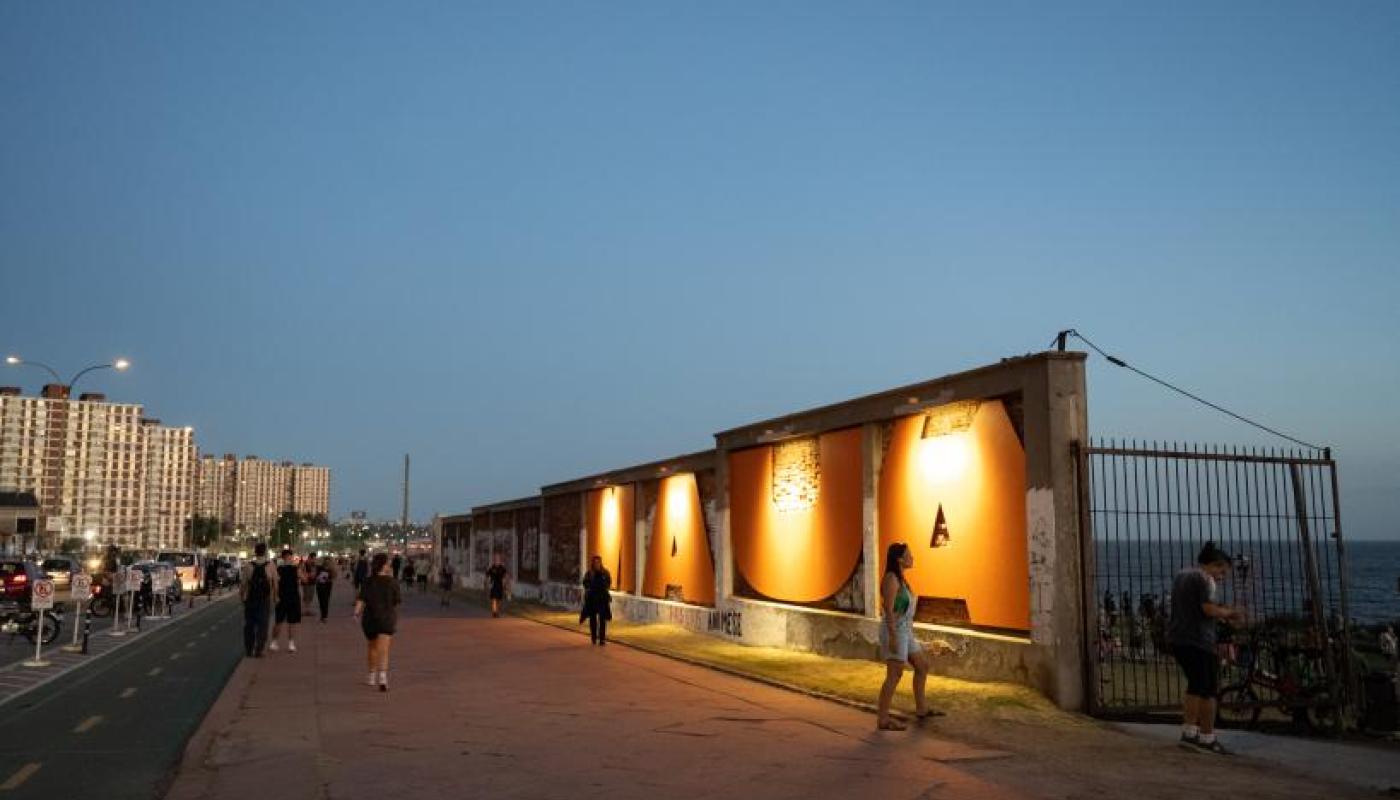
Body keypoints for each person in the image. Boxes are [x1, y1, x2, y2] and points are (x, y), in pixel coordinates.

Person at [1169, 541, 1246, 755]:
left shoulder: (1182, 575)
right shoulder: (1206, 580)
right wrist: (1231, 613)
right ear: (1214, 564)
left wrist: (1221, 613)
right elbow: (1208, 609)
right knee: (1209, 691)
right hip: (1200, 641)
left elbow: (1192, 608)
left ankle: (1189, 732)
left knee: (1195, 686)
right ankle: (1207, 737)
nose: (1223, 577)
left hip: (1178, 638)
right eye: (1222, 571)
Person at [875, 542, 939, 730]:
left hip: (904, 630)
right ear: (899, 559)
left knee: (922, 666)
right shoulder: (891, 579)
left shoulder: (901, 578)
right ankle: (883, 719)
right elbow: (888, 610)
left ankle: (921, 709)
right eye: (909, 555)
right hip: (895, 630)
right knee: (895, 674)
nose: (912, 558)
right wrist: (893, 637)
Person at [354, 553, 401, 692]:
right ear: (384, 565)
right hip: (386, 617)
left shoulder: (368, 581)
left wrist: (356, 613)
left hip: (370, 618)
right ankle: (383, 678)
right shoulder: (392, 582)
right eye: (388, 563)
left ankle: (371, 675)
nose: (390, 565)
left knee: (372, 647)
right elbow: (396, 602)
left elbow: (361, 599)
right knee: (384, 649)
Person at [240, 543, 278, 658]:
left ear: (255, 552)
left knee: (249, 625)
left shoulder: (248, 566)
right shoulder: (271, 565)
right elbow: (275, 583)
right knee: (263, 625)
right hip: (264, 600)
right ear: (265, 552)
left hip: (251, 599)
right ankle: (259, 650)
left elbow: (243, 584)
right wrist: (275, 597)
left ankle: (249, 649)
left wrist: (242, 598)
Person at [269, 548, 303, 652]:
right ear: (291, 557)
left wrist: (275, 596)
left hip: (281, 597)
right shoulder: (296, 568)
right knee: (291, 622)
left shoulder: (278, 569)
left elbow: (274, 583)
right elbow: (304, 579)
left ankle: (274, 642)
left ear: (282, 557)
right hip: (293, 597)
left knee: (278, 621)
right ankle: (291, 644)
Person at [579, 555, 612, 645]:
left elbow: (608, 583)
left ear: (601, 563)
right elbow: (585, 583)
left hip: (602, 599)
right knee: (593, 619)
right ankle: (594, 637)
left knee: (602, 619)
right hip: (592, 599)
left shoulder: (605, 573)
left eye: (598, 562)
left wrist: (604, 588)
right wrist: (590, 587)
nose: (597, 564)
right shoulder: (589, 573)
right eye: (595, 562)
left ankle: (602, 639)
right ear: (593, 563)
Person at [484, 553, 510, 618]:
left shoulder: (502, 568)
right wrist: (486, 583)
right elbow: (487, 575)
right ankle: (494, 612)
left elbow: (506, 576)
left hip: (500, 585)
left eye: (498, 559)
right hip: (493, 585)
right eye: (495, 559)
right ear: (494, 560)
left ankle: (497, 611)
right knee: (494, 599)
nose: (496, 560)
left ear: (500, 560)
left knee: (499, 600)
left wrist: (507, 584)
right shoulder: (491, 568)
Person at [314, 553, 337, 622]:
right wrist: (318, 578)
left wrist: (328, 579)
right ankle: (323, 615)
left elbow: (333, 577)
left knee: (326, 600)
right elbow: (315, 576)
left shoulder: (331, 569)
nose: (327, 562)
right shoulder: (319, 567)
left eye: (328, 560)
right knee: (321, 600)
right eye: (325, 560)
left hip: (327, 585)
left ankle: (324, 616)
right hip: (320, 585)